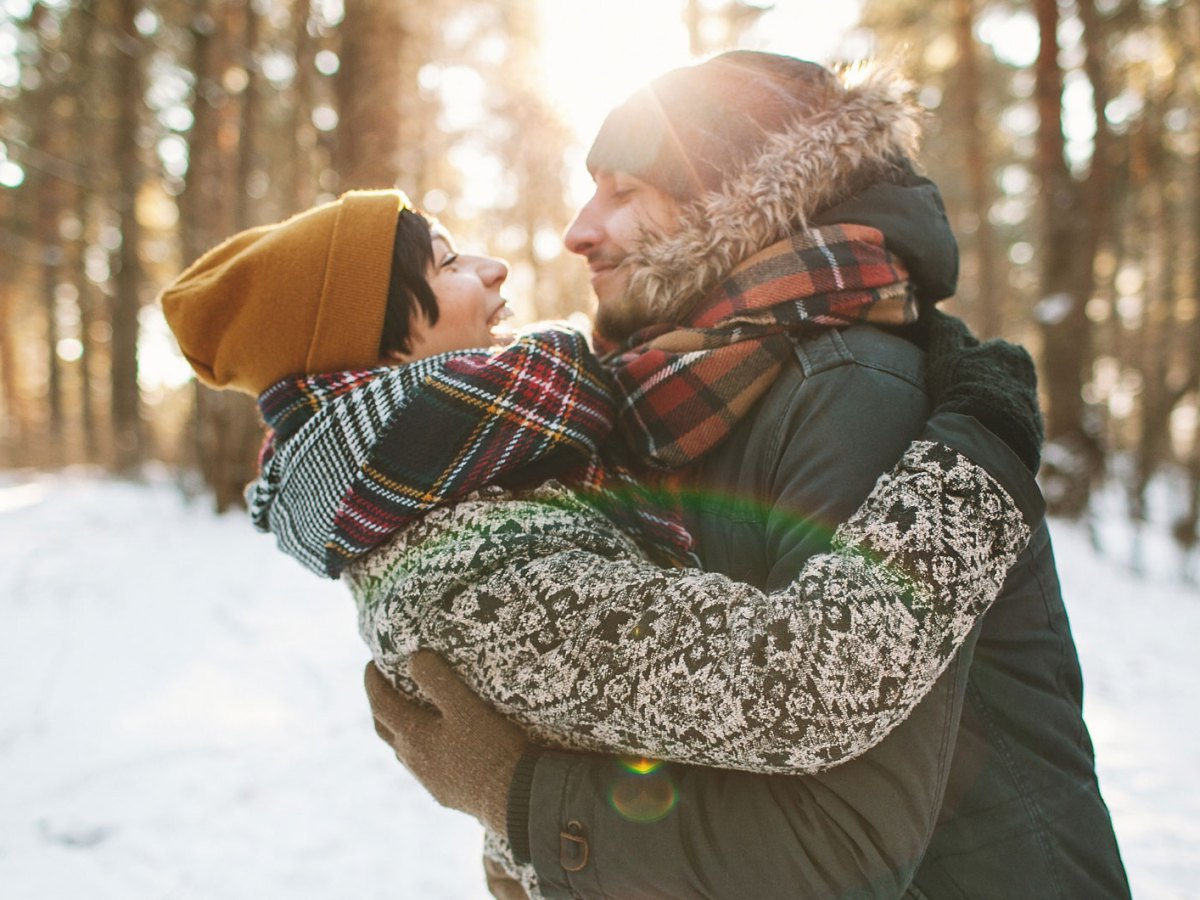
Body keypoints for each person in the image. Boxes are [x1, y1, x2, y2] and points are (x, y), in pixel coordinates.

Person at [366, 53, 1131, 898]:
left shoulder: (850, 387)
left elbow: (843, 848)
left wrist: (524, 803)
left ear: (735, 207)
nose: (578, 230)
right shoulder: (666, 396)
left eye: (624, 192)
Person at [161, 187, 1043, 898]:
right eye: (450, 261)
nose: (496, 266)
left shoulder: (461, 499)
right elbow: (811, 676)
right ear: (381, 344)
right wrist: (986, 443)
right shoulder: (472, 570)